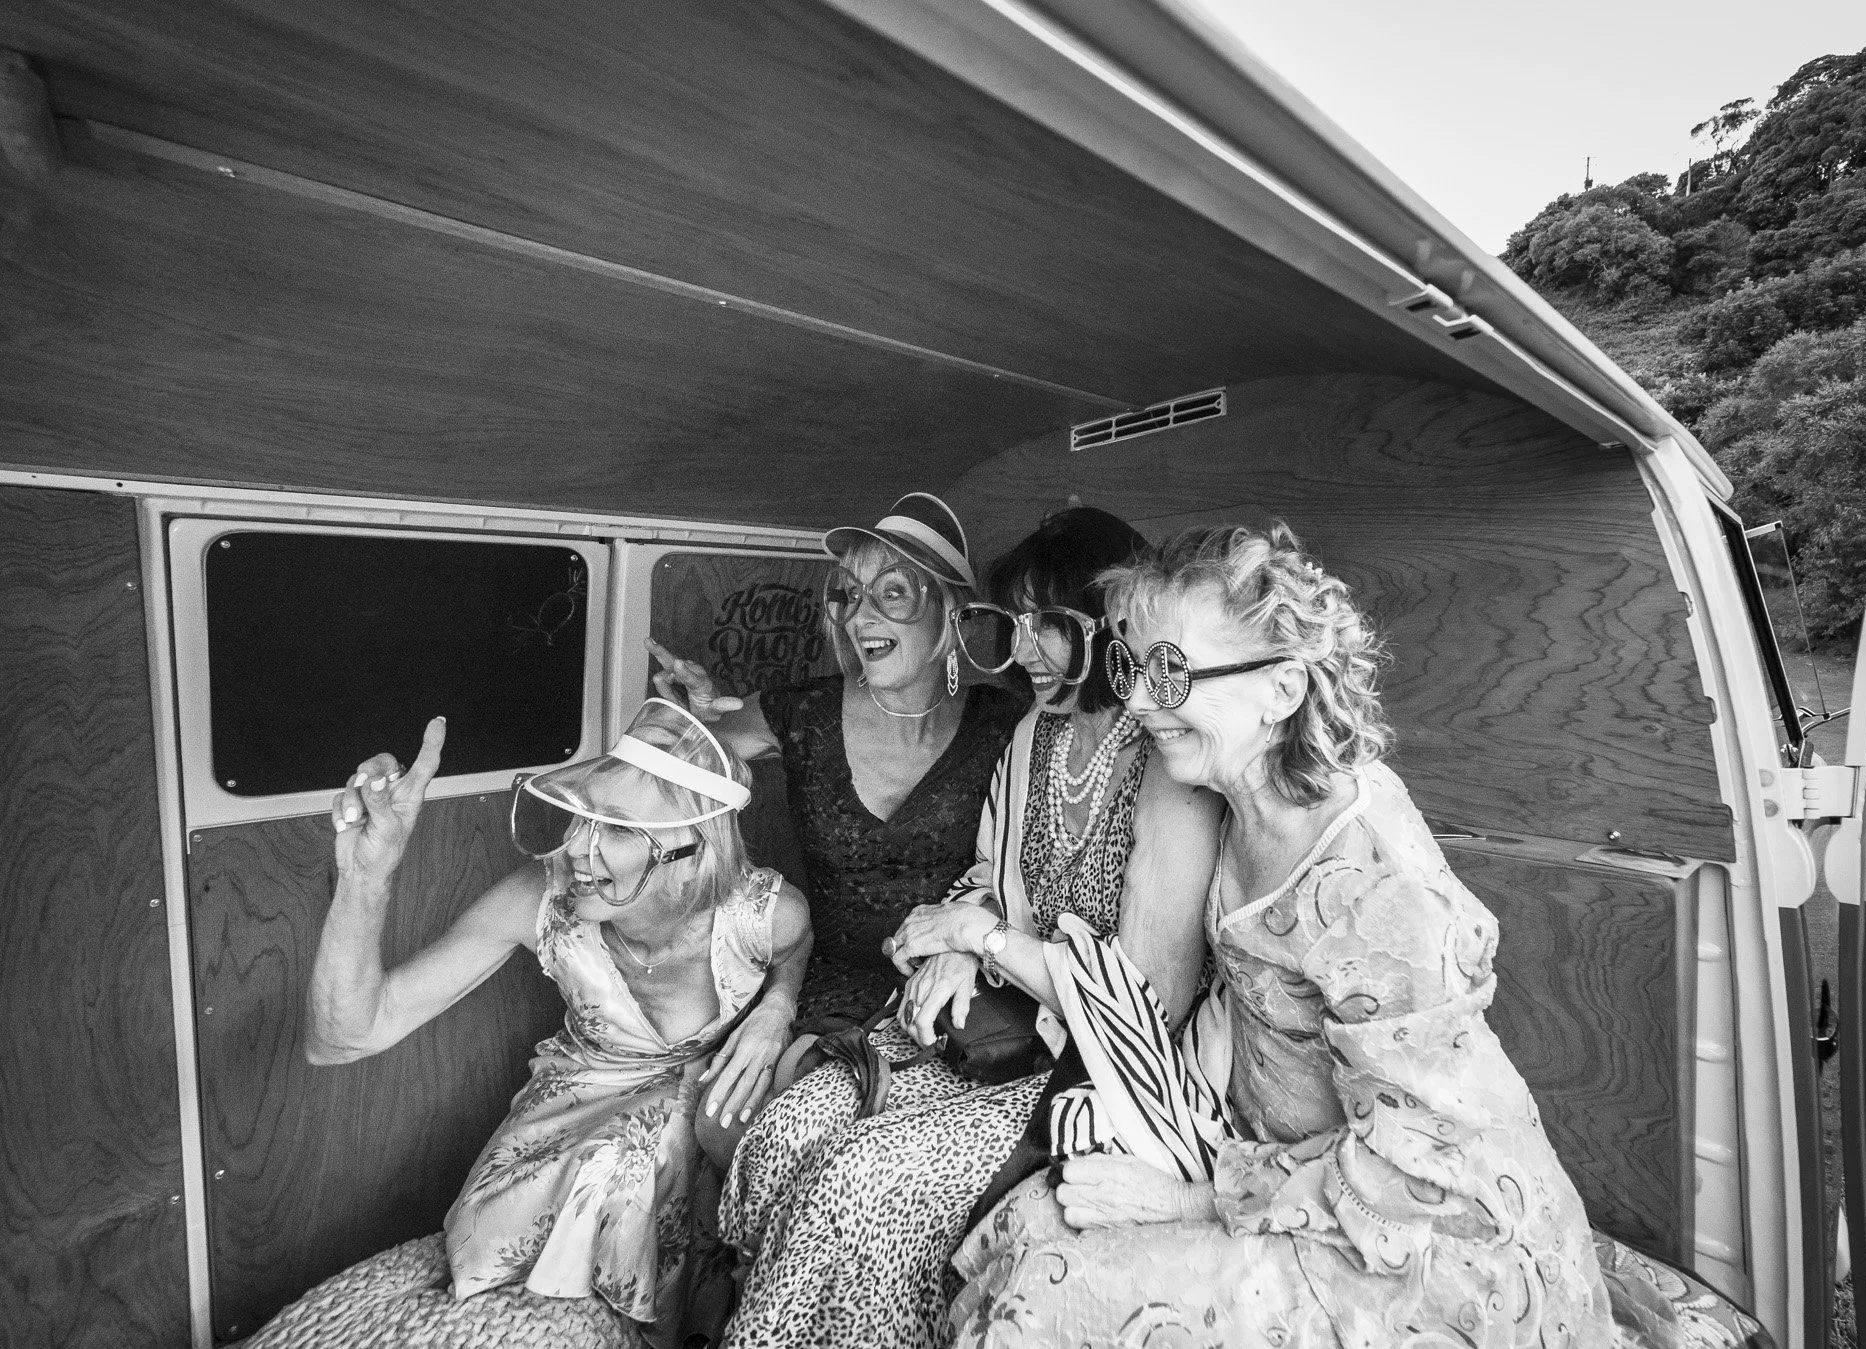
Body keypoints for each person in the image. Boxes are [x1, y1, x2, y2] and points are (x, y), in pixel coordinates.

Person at [945, 522, 1616, 1349]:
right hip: (1281, 1166)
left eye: (1171, 672)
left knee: (1049, 1299)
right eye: (1133, 667)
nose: (1142, 701)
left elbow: (1420, 1159)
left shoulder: (1368, 878)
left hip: (1408, 1235)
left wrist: (1190, 1198)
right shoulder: (1227, 803)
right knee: (1028, 1225)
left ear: (1283, 688)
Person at [716, 507, 1224, 1349]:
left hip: (1093, 1062)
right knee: (786, 1131)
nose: (1022, 650)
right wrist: (961, 938)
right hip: (999, 1021)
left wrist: (983, 943)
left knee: (857, 1181)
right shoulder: (1034, 733)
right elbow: (987, 873)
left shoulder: (1163, 762)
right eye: (1012, 627)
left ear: (1113, 625)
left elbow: (1149, 1003)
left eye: (1045, 628)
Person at [284, 698, 812, 1340]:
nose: (575, 851)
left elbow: (795, 942)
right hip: (564, 1119)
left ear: (692, 846)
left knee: (629, 1163)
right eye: (579, 818)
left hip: (689, 1129)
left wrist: (777, 1007)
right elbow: (344, 1037)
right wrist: (366, 874)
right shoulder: (538, 899)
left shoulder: (764, 914)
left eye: (616, 829)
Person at [652, 492, 1025, 1064]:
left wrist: (979, 941)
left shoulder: (1003, 723)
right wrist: (695, 720)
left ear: (951, 612)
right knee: (725, 1127)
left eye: (892, 593)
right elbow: (684, 776)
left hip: (966, 980)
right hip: (833, 988)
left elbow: (1039, 874)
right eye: (849, 596)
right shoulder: (800, 713)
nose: (860, 616)